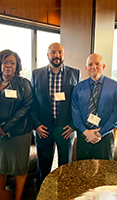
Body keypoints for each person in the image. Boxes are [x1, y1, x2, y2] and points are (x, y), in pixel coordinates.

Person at [31, 42, 80, 187]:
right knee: (43, 165)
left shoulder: (75, 73)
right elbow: (32, 102)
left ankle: (64, 191)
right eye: (53, 52)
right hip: (43, 128)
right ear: (48, 55)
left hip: (65, 128)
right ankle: (42, 191)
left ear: (64, 55)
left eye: (60, 52)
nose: (56, 55)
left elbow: (77, 102)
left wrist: (73, 125)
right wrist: (36, 125)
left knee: (66, 164)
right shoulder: (36, 74)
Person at [0, 49, 33, 200]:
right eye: (5, 62)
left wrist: (5, 127)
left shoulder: (24, 83)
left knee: (19, 167)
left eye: (12, 63)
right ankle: (2, 196)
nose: (8, 65)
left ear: (17, 66)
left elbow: (27, 107)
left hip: (19, 133)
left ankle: (17, 197)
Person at [72, 53, 117, 161]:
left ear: (103, 66)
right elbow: (75, 112)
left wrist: (100, 133)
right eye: (90, 64)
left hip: (105, 136)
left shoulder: (116, 87)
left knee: (104, 172)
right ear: (86, 68)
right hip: (84, 136)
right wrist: (86, 132)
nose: (93, 67)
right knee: (82, 171)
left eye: (97, 64)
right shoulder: (78, 88)